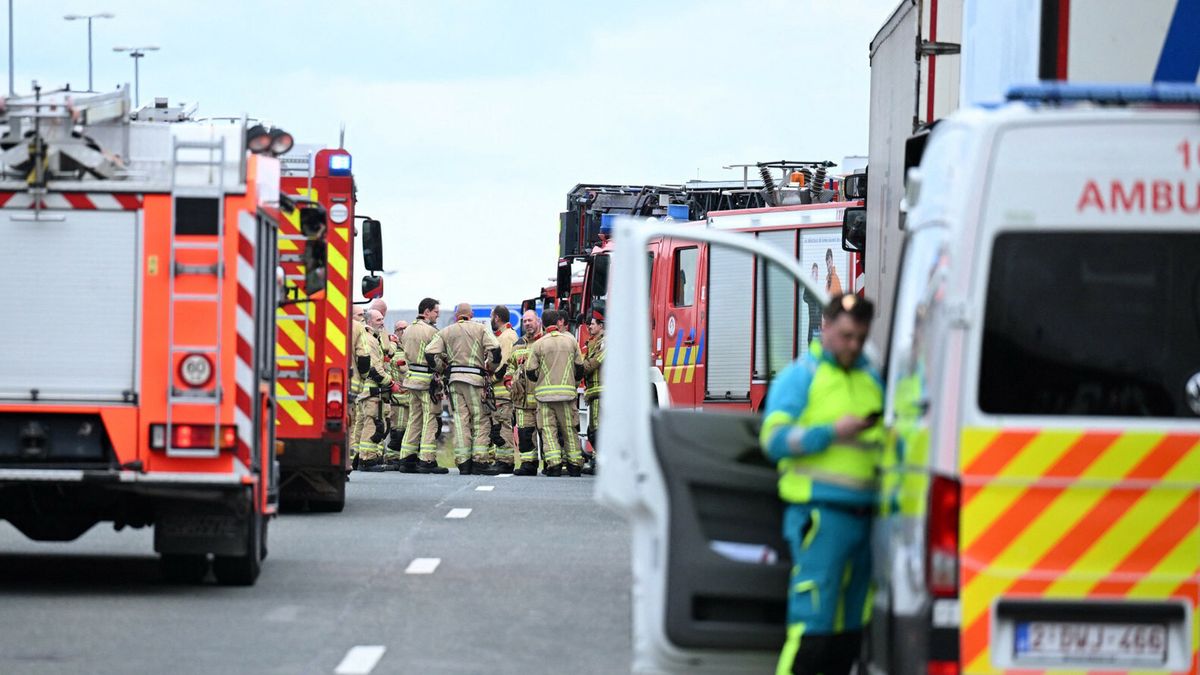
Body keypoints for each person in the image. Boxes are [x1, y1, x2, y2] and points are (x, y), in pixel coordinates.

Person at [759, 293, 882, 675]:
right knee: (812, 629)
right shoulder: (801, 376)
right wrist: (830, 433)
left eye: (860, 337)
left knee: (850, 633)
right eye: (846, 336)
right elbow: (774, 440)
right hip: (820, 517)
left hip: (866, 518)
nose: (853, 345)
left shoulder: (871, 378)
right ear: (825, 327)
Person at [425, 303, 502, 475]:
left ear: (456, 316)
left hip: (454, 381)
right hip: (475, 380)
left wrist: (441, 368)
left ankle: (463, 462)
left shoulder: (446, 331)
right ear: (471, 314)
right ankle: (480, 461)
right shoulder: (480, 329)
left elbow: (429, 353)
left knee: (460, 420)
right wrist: (490, 367)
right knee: (480, 419)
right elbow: (496, 349)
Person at [525, 309, 585, 477]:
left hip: (545, 397)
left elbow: (530, 371)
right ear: (558, 322)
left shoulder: (539, 344)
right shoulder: (571, 341)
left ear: (543, 324)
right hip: (567, 395)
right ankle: (575, 465)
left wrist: (541, 379)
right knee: (569, 429)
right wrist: (572, 384)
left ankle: (554, 465)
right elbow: (580, 367)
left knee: (548, 430)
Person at [399, 298, 448, 474]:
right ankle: (427, 460)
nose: (437, 315)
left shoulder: (407, 330)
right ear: (427, 312)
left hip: (411, 379)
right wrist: (443, 368)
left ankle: (406, 459)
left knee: (414, 418)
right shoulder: (432, 332)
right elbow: (439, 356)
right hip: (427, 382)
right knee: (430, 418)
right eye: (436, 312)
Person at [353, 309, 395, 471]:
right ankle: (367, 459)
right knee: (373, 423)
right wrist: (390, 383)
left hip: (368, 389)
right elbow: (375, 368)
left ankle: (358, 457)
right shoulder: (370, 340)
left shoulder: (371, 338)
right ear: (369, 321)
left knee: (364, 423)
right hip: (372, 390)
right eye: (378, 320)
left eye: (382, 319)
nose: (382, 322)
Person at [507, 310, 543, 476]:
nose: (527, 324)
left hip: (542, 399)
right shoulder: (518, 344)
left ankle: (551, 464)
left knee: (547, 433)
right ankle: (528, 464)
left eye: (530, 320)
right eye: (525, 321)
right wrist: (509, 380)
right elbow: (511, 366)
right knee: (524, 433)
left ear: (538, 321)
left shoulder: (544, 342)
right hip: (522, 401)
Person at [486, 305, 519, 473]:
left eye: (491, 316)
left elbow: (504, 365)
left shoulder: (507, 337)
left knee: (503, 426)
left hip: (503, 392)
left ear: (497, 318)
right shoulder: (503, 335)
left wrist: (490, 380)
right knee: (498, 426)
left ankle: (505, 461)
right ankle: (501, 459)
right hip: (499, 393)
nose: (490, 320)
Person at [579, 301, 606, 475]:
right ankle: (598, 461)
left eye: (593, 323)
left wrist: (579, 367)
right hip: (594, 393)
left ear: (601, 325)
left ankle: (601, 463)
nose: (589, 326)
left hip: (602, 392)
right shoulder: (592, 343)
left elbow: (593, 363)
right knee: (593, 430)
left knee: (597, 430)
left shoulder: (607, 342)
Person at [386, 320, 412, 471]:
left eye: (405, 328)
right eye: (399, 329)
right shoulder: (392, 349)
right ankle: (392, 459)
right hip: (398, 399)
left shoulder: (412, 348)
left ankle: (406, 457)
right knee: (398, 430)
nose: (402, 331)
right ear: (395, 332)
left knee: (411, 431)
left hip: (412, 399)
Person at [347, 305, 367, 470]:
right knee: (349, 424)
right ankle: (348, 462)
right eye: (360, 314)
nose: (363, 318)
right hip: (350, 384)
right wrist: (365, 376)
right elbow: (364, 357)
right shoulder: (358, 328)